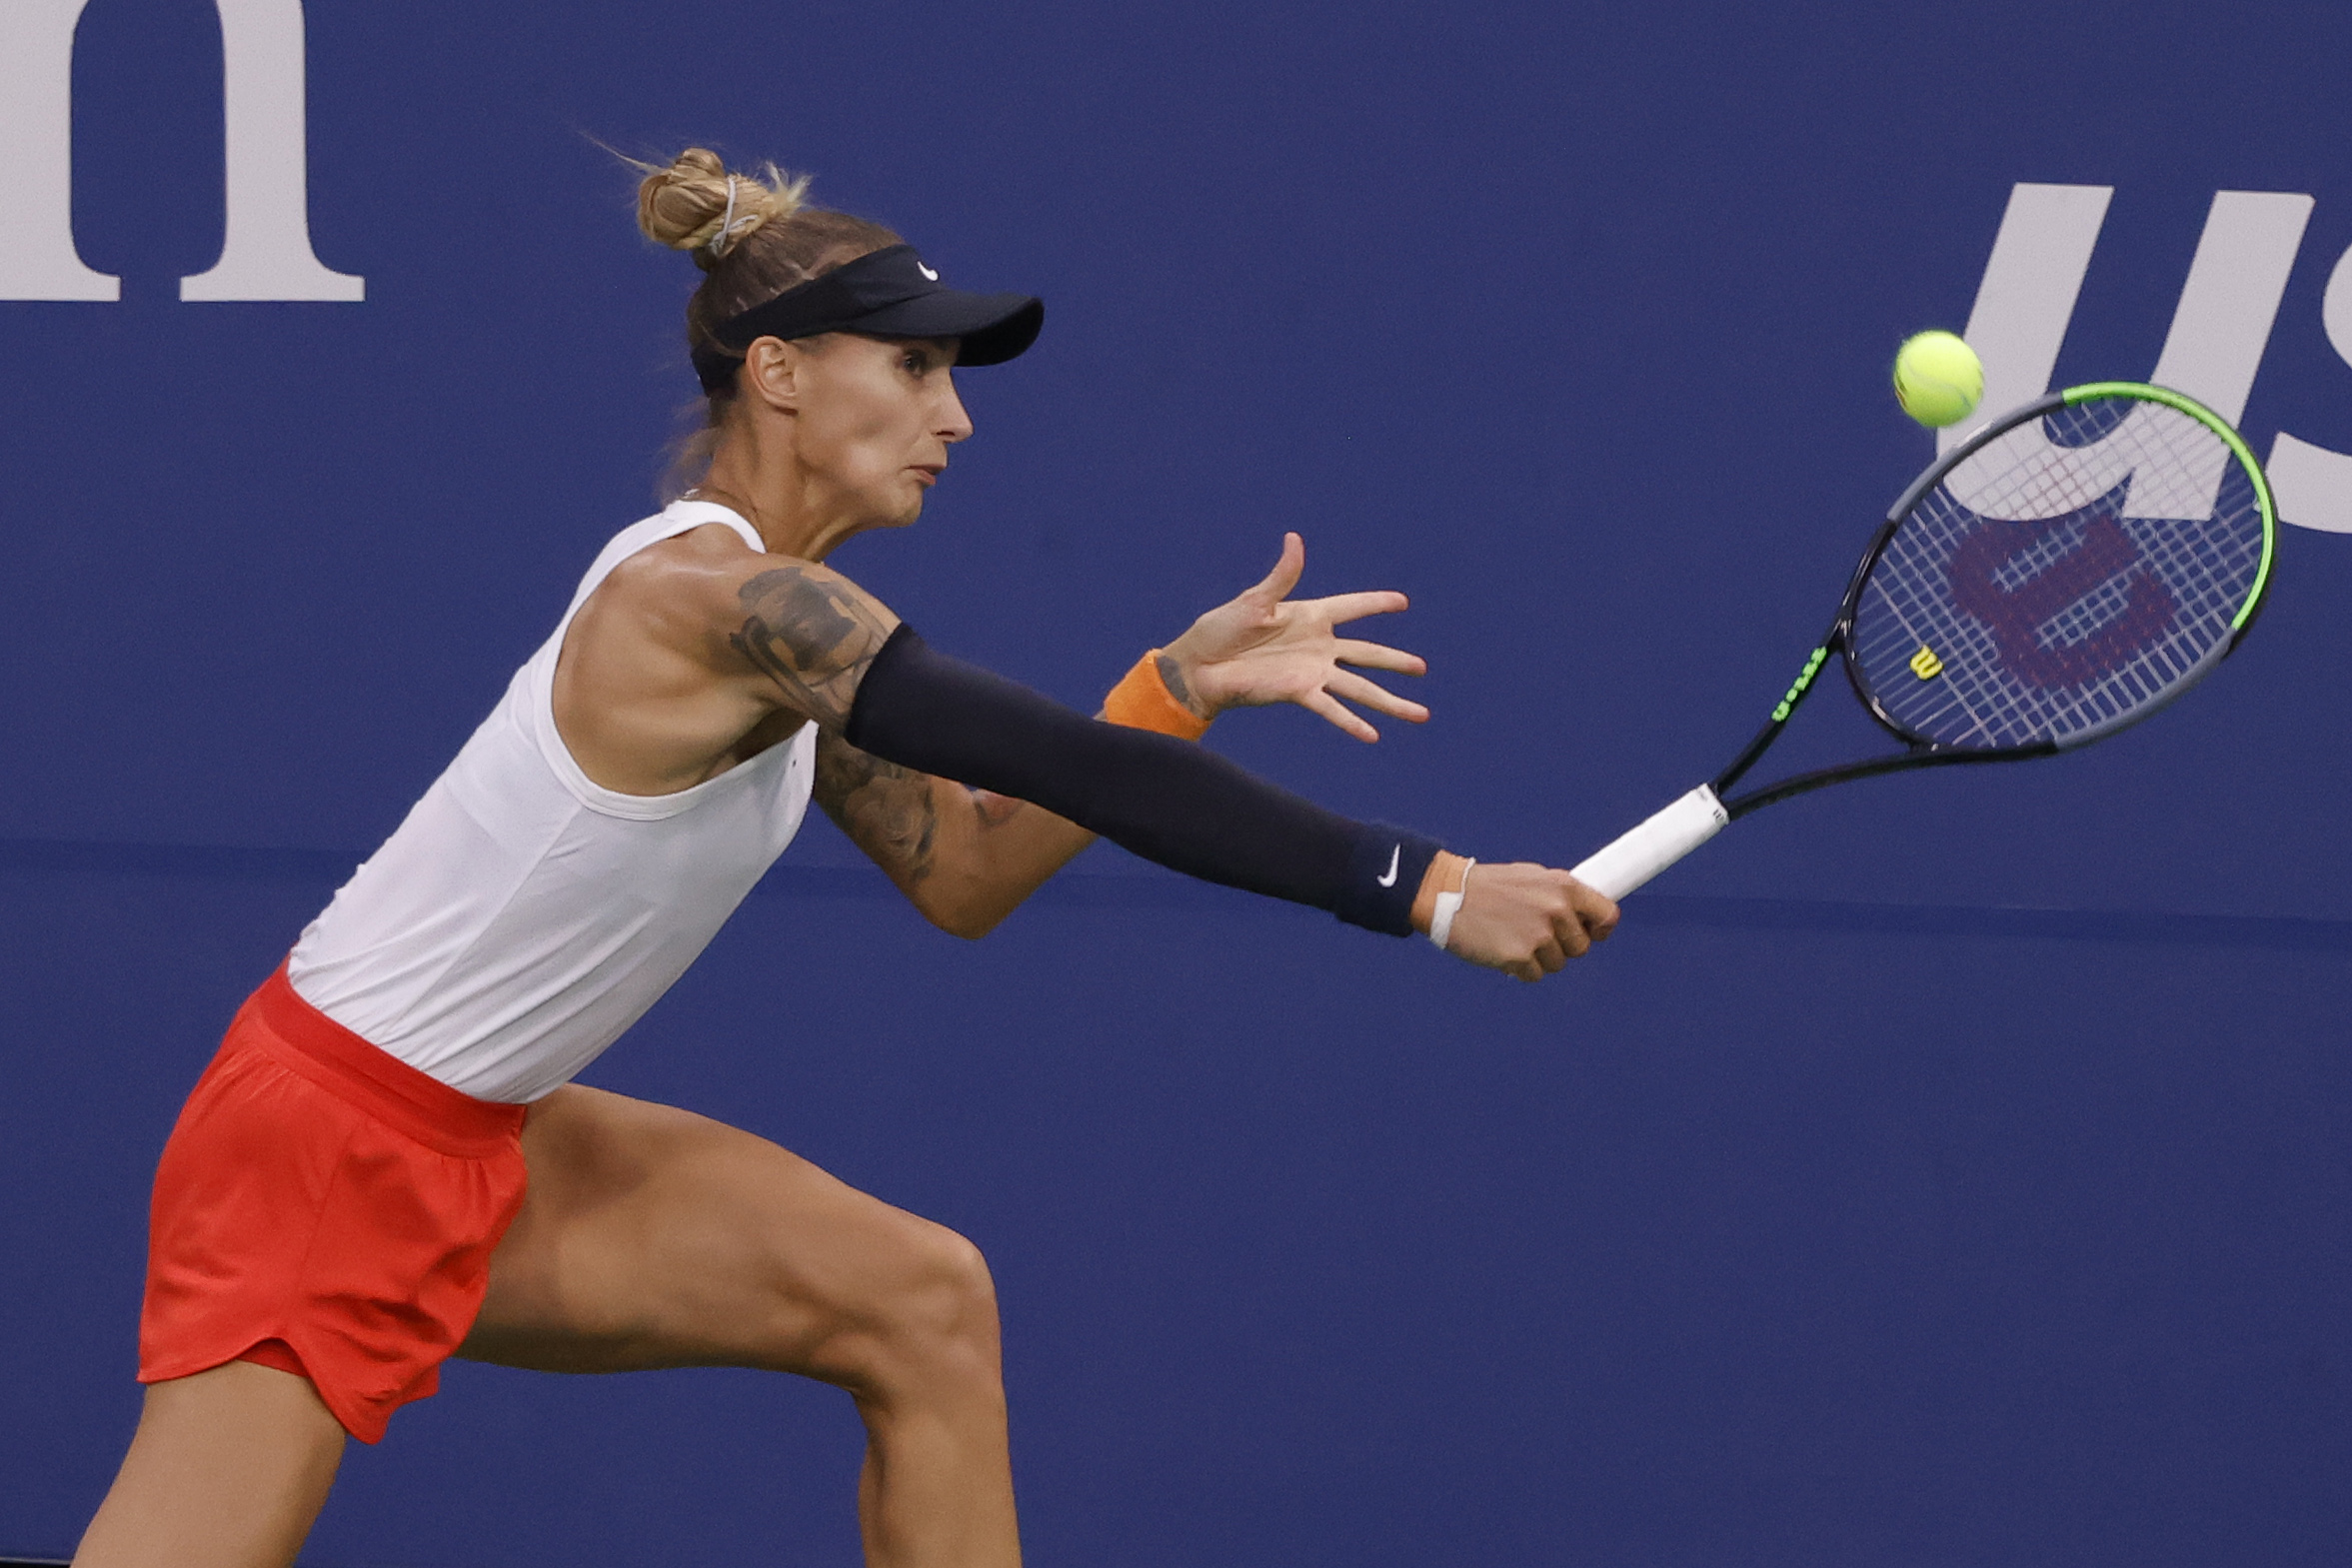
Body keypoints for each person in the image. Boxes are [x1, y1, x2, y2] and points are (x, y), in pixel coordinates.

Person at [71, 148, 1618, 1568]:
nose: (955, 414)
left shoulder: (782, 634)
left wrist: (1176, 690)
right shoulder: (715, 605)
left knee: (919, 1299)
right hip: (318, 1154)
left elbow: (962, 870)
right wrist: (1429, 885)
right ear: (782, 373)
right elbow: (1048, 761)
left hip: (493, 1135)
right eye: (918, 365)